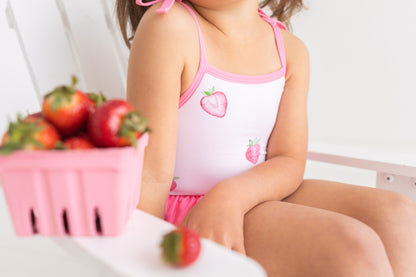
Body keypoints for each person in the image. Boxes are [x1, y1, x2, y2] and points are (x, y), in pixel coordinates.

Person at [116, 0, 416, 276]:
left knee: (398, 215)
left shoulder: (290, 49)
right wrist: (140, 258)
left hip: (254, 192)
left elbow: (289, 159)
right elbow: (150, 175)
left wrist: (231, 195)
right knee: (352, 246)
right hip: (191, 214)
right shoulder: (169, 27)